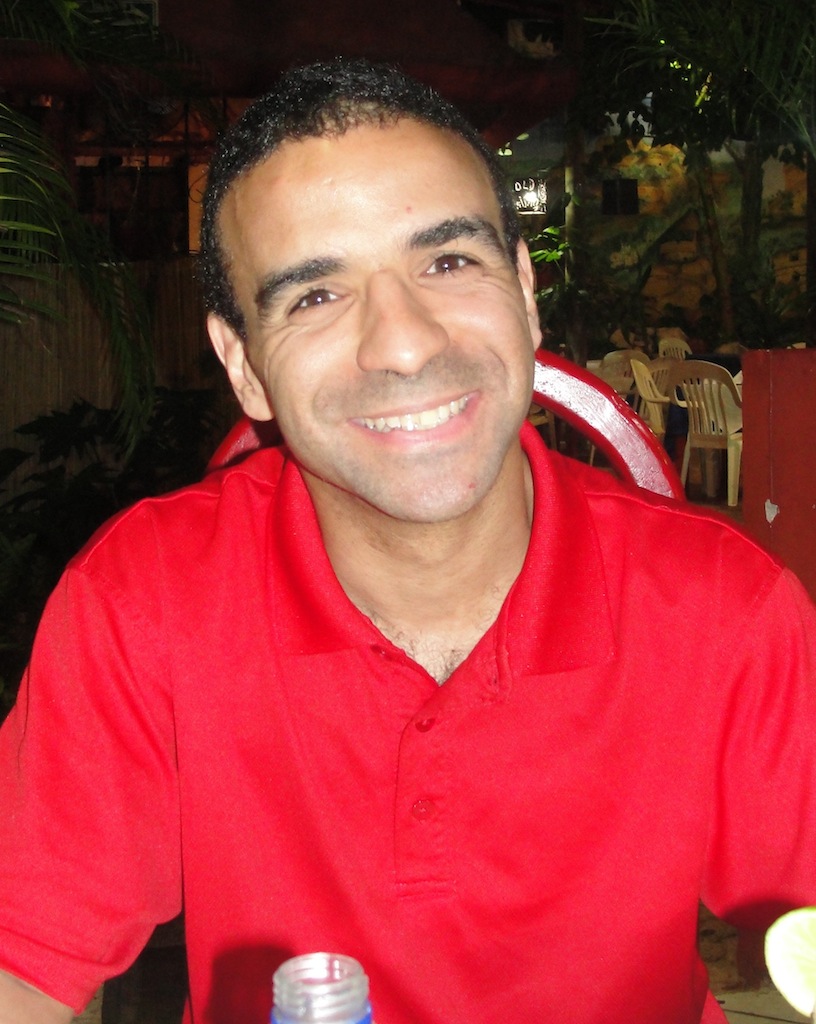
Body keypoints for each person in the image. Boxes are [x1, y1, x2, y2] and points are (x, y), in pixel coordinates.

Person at [0, 57, 814, 1024]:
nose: (404, 343)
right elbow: (22, 966)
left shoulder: (722, 604)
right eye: (314, 295)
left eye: (449, 262)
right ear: (244, 366)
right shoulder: (146, 601)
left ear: (525, 291)